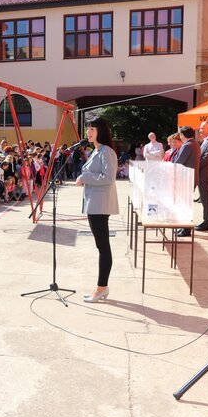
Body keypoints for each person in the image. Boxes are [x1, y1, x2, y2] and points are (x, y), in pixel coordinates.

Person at [76, 118, 119, 303]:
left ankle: (102, 287)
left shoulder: (106, 152)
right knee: (101, 246)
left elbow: (109, 177)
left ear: (100, 130)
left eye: (92, 129)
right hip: (94, 203)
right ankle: (101, 287)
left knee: (103, 248)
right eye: (87, 129)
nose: (88, 132)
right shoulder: (97, 150)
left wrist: (85, 177)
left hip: (100, 205)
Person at [196, 121, 208, 231]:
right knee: (205, 198)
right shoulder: (206, 141)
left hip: (206, 174)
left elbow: (207, 158)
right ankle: (207, 220)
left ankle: (207, 222)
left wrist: (195, 166)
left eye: (202, 128)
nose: (200, 130)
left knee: (206, 199)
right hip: (202, 174)